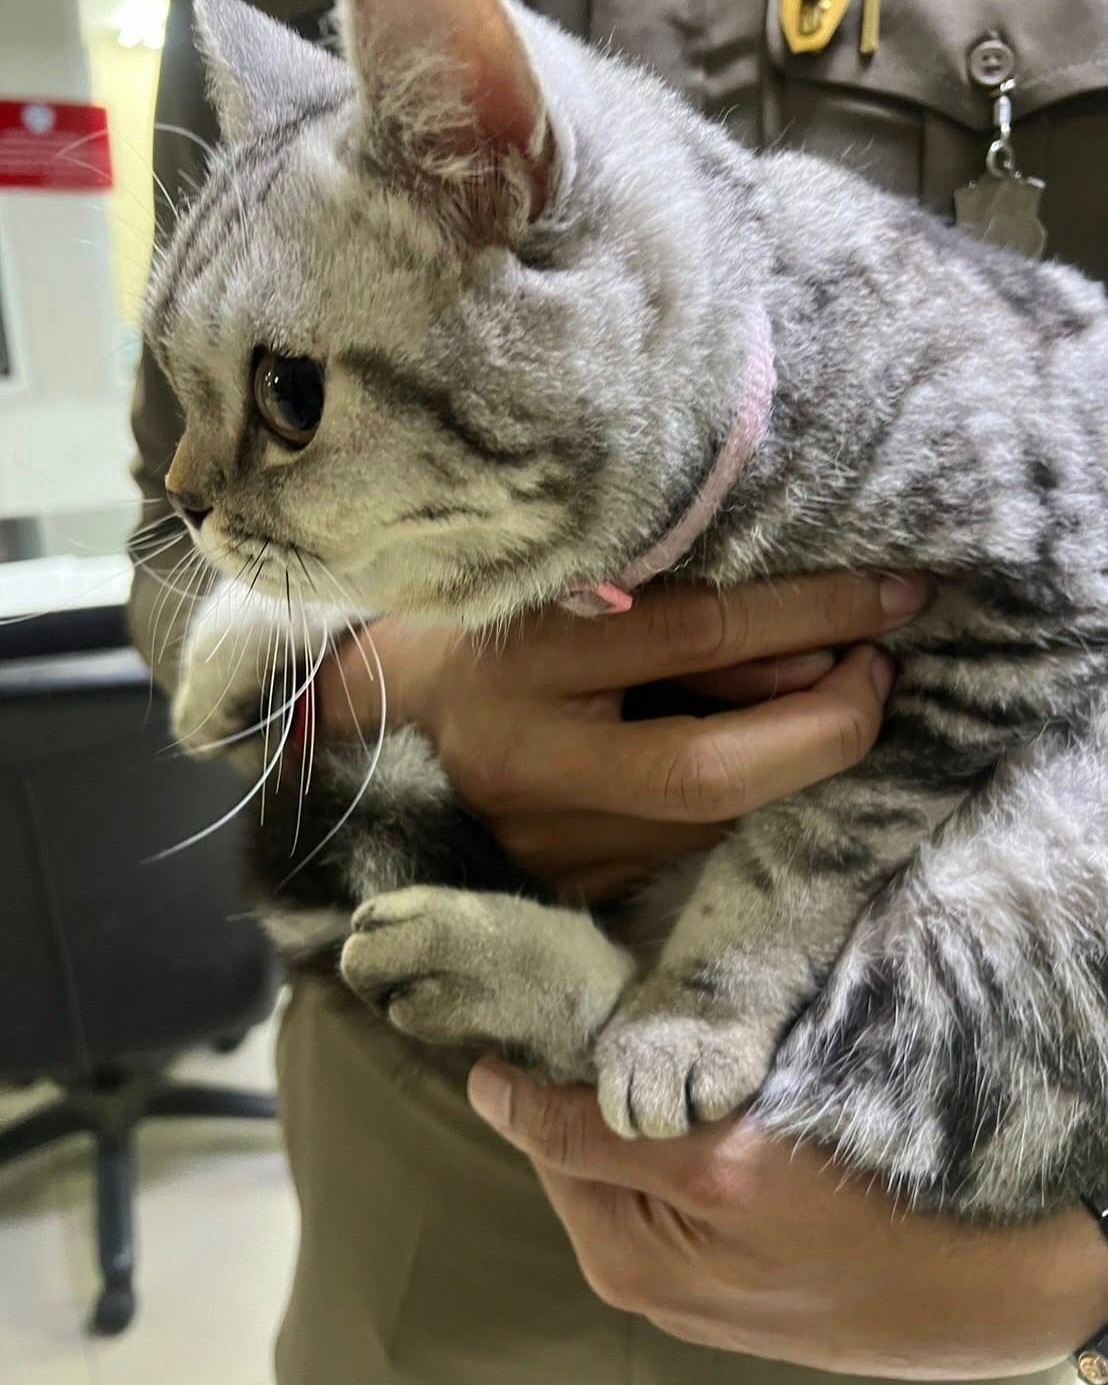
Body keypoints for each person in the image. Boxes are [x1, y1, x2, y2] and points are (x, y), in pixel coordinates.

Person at [129, 3, 1108, 1382]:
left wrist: (1093, 1284)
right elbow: (166, 540)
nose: (199, 492)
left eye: (285, 397)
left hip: (889, 1240)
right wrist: (396, 676)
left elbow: (1047, 624)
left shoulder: (880, 388)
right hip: (435, 1194)